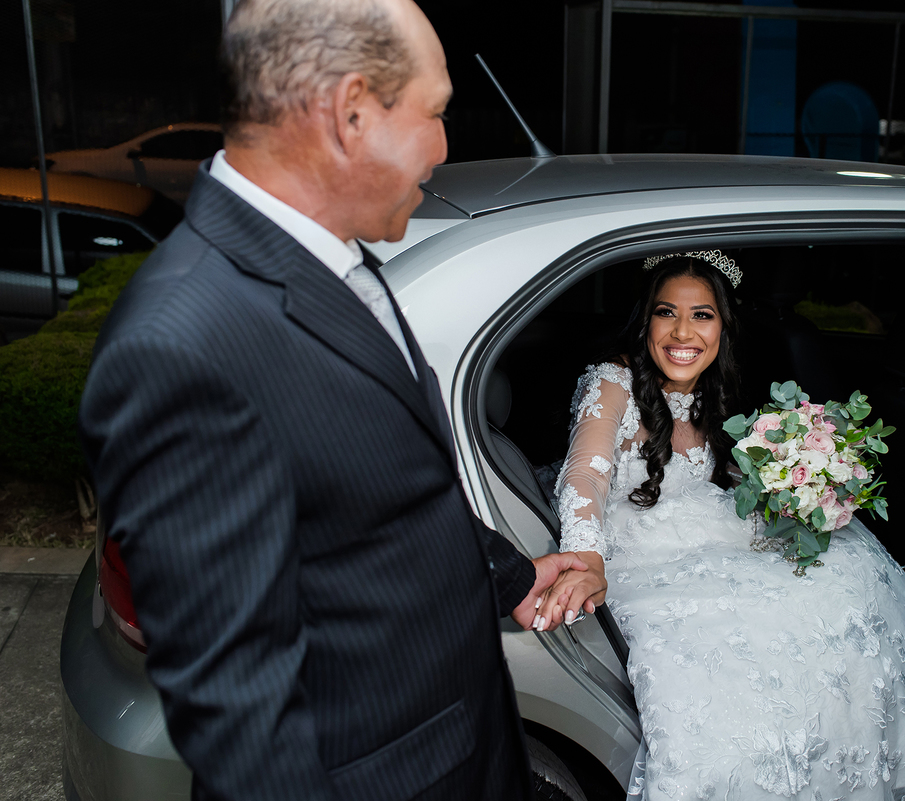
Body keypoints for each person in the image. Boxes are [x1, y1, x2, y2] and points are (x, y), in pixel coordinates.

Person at [78, 1, 592, 799]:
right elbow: (241, 719)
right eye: (435, 113)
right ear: (352, 113)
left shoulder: (334, 254)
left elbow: (379, 489)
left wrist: (508, 578)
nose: (446, 146)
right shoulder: (180, 347)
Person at [542, 252, 905, 799]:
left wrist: (796, 483)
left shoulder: (716, 387)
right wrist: (586, 555)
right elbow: (587, 472)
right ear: (644, 320)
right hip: (641, 547)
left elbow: (723, 472)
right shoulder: (614, 380)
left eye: (703, 316)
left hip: (706, 529)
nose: (682, 332)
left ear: (724, 326)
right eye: (666, 312)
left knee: (848, 584)